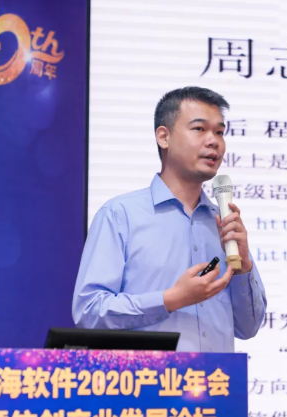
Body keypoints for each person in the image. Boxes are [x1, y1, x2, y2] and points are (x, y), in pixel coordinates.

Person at [72, 86, 267, 352]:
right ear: (164, 137)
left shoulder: (224, 225)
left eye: (220, 132)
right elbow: (89, 311)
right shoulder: (120, 215)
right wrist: (170, 299)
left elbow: (249, 327)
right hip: (148, 378)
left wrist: (243, 265)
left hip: (215, 377)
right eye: (199, 129)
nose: (213, 141)